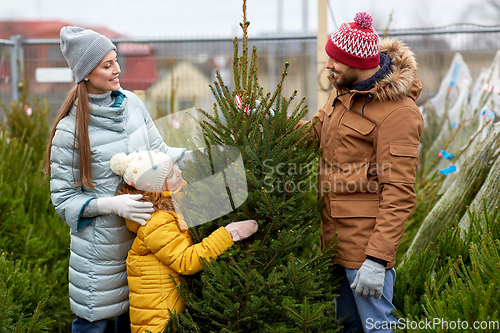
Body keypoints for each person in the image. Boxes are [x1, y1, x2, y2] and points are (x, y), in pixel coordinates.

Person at [44, 26, 191, 332]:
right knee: (94, 326)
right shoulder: (70, 131)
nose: (117, 70)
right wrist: (112, 205)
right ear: (86, 73)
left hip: (143, 245)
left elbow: (160, 153)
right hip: (100, 256)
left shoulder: (133, 105)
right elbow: (63, 200)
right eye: (107, 65)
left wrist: (197, 156)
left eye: (116, 61)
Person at [294, 12, 424, 332]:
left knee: (377, 328)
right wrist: (263, 121)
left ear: (358, 64)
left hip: (365, 256)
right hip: (334, 244)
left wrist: (377, 262)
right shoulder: (343, 94)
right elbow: (312, 134)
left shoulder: (399, 113)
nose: (328, 66)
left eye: (336, 61)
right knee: (347, 328)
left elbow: (399, 192)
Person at [109, 149, 258, 332]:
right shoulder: (157, 221)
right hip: (159, 322)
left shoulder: (169, 205)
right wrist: (228, 234)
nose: (179, 172)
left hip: (171, 315)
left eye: (175, 167)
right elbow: (186, 261)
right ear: (158, 188)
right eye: (171, 173)